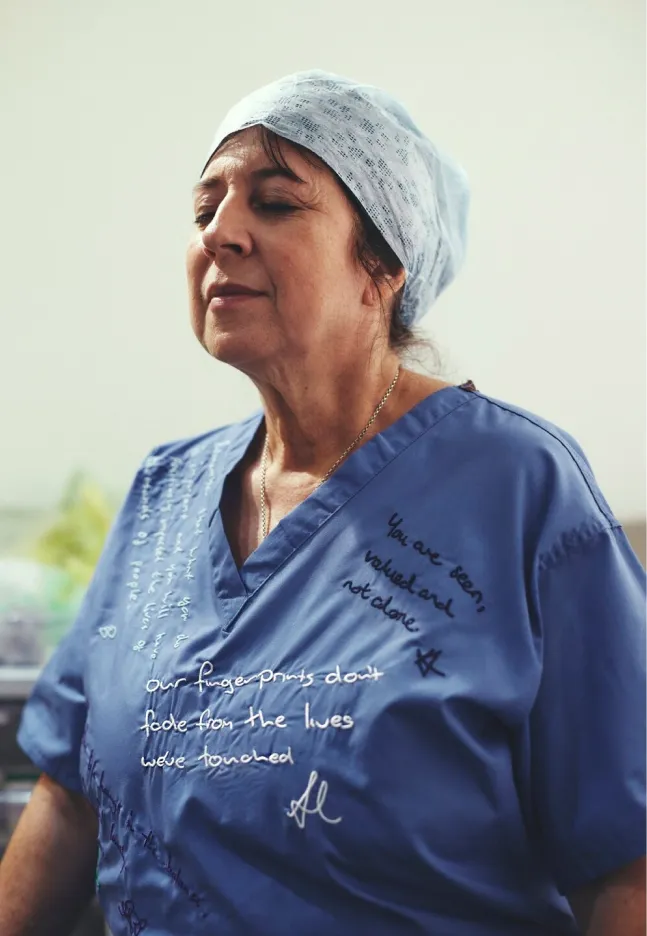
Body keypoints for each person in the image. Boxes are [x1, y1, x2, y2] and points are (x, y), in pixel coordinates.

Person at [0, 70, 644, 936]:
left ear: (380, 266)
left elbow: (624, 864)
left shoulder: (519, 489)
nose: (220, 234)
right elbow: (69, 800)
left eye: (274, 203)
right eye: (203, 211)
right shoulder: (163, 492)